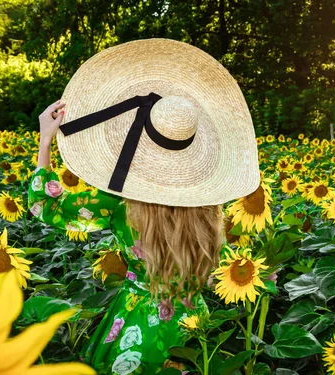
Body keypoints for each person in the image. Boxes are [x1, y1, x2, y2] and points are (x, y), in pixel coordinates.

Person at [28, 38, 260, 375]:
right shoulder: (211, 209)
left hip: (135, 327)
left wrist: (45, 139)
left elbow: (43, 207)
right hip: (196, 331)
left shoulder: (121, 205)